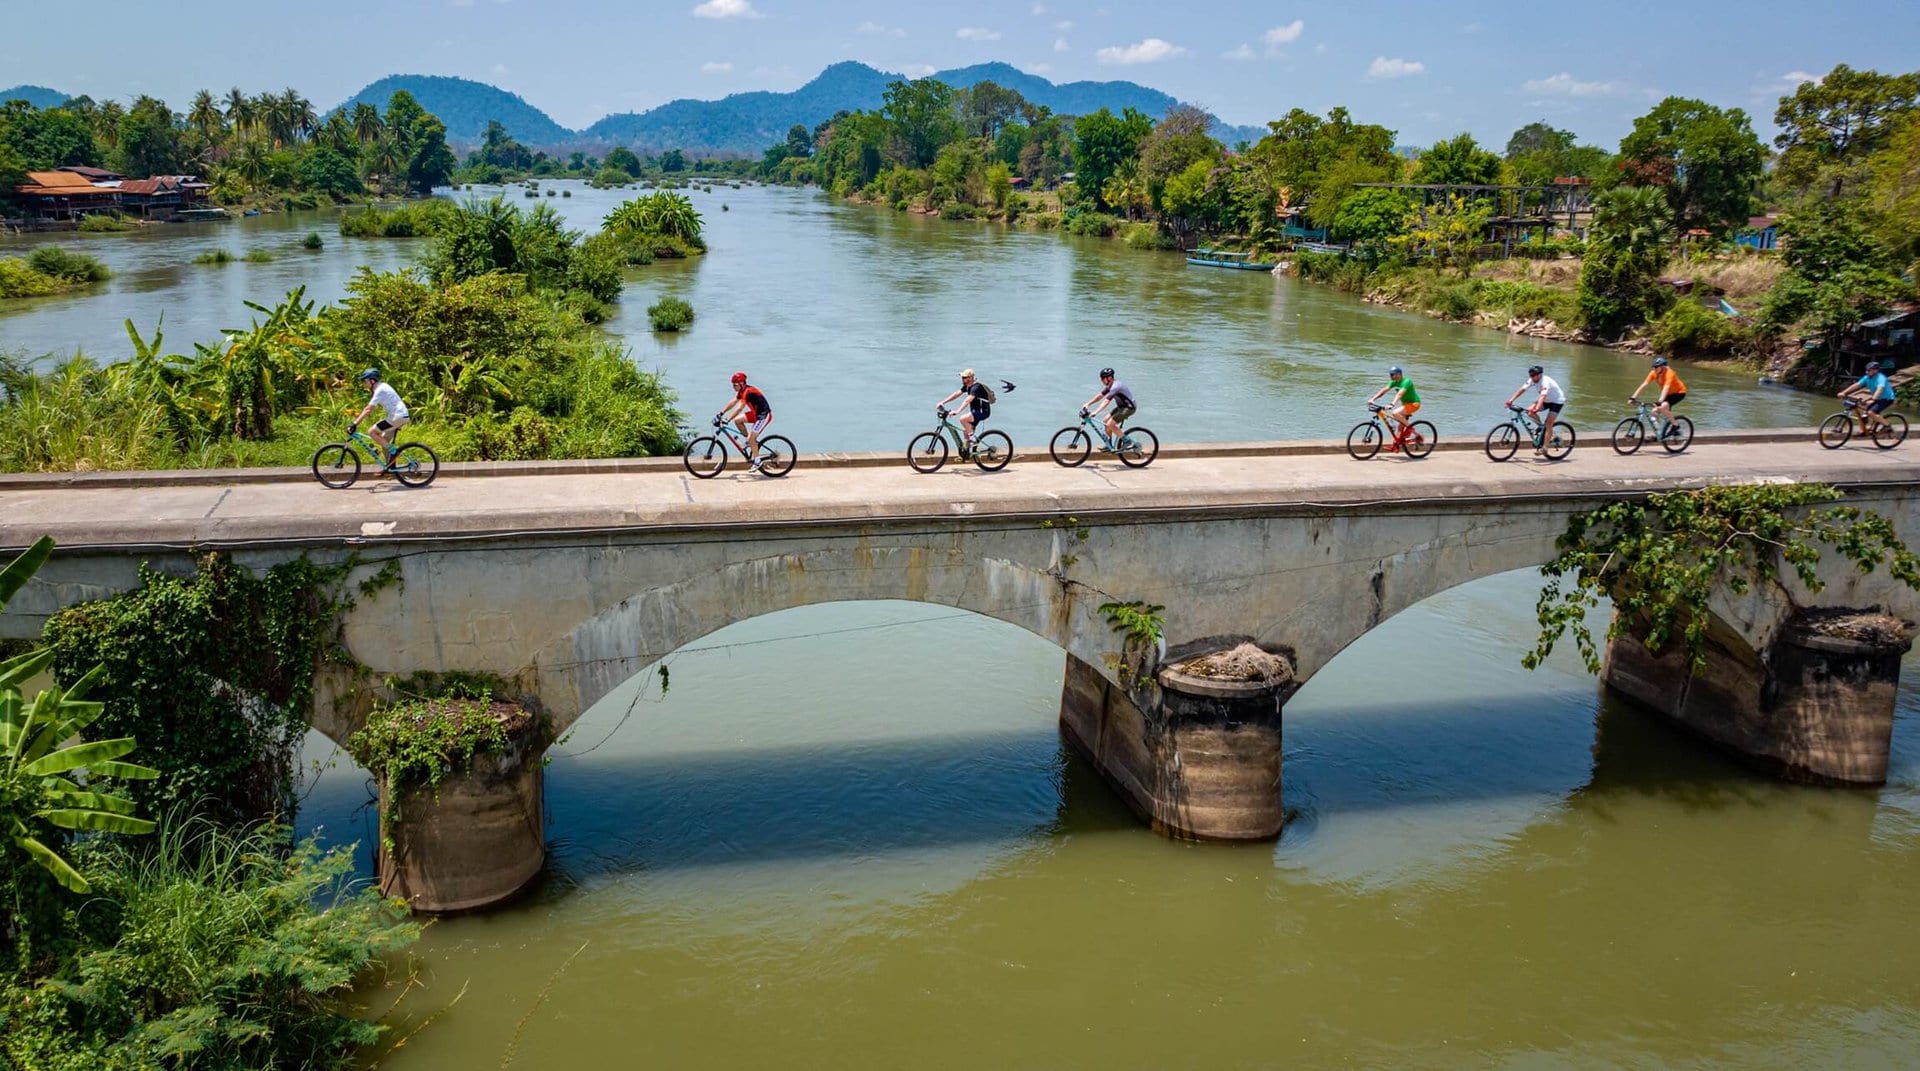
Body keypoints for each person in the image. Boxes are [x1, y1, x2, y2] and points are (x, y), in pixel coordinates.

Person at [351, 368, 409, 466]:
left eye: (365, 381)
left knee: (371, 432)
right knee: (384, 441)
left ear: (372, 380)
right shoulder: (383, 386)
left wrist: (355, 423)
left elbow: (368, 409)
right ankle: (390, 467)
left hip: (397, 417)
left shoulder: (380, 390)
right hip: (400, 416)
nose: (364, 384)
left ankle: (394, 452)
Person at [1504, 364, 1566, 454]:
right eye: (1530, 375)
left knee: (1549, 423)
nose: (1532, 377)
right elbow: (1522, 389)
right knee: (1529, 412)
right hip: (1547, 400)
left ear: (1540, 375)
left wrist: (1537, 408)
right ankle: (1541, 427)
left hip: (1557, 401)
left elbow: (1542, 396)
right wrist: (1510, 400)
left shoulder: (1545, 382)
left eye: (1533, 375)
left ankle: (1544, 448)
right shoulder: (1532, 380)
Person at [717, 371, 772, 469]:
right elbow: (733, 402)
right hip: (755, 414)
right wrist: (721, 413)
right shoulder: (742, 391)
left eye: (735, 385)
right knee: (738, 421)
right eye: (732, 385)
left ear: (742, 384)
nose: (733, 387)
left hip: (764, 416)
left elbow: (739, 408)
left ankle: (758, 462)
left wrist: (727, 419)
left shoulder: (748, 392)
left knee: (752, 439)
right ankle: (749, 442)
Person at [935, 368, 994, 453]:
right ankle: (967, 453)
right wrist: (943, 402)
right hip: (975, 412)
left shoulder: (976, 387)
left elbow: (968, 400)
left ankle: (973, 440)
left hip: (982, 412)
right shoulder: (967, 386)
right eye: (962, 377)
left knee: (963, 419)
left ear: (970, 378)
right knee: (966, 433)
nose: (962, 379)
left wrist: (957, 411)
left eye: (964, 377)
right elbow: (956, 394)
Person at [1366, 365, 1423, 452]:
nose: (1391, 376)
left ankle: (1412, 430)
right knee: (1400, 427)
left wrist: (1392, 404)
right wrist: (1373, 399)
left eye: (1393, 374)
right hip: (1405, 404)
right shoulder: (1393, 382)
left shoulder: (1407, 381)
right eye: (1390, 375)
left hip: (1414, 404)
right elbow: (1383, 390)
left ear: (1399, 374)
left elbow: (1399, 394)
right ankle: (1396, 445)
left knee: (1395, 413)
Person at [1628, 356, 1688, 435]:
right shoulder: (1654, 373)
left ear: (1662, 366)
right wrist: (1633, 397)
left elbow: (1666, 388)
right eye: (1653, 367)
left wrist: (1660, 401)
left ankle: (1675, 425)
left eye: (1656, 367)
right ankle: (1658, 434)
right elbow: (1644, 385)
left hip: (1679, 392)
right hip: (1668, 394)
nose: (1654, 369)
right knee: (1654, 411)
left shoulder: (1670, 373)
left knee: (1662, 406)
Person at [1079, 367, 1136, 447]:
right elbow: (1100, 395)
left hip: (1129, 408)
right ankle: (1109, 445)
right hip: (1121, 407)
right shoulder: (1110, 385)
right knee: (1105, 421)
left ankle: (1127, 441)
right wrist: (1088, 403)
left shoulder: (1116, 387)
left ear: (1109, 378)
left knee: (1110, 424)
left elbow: (1106, 401)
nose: (1101, 380)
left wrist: (1096, 412)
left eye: (1103, 379)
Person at [1839, 360, 1897, 432]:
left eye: (1869, 370)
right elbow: (1857, 385)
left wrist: (1873, 399)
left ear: (1875, 370)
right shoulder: (1867, 377)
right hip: (1877, 398)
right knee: (1864, 411)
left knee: (1871, 412)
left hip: (1886, 399)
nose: (1867, 372)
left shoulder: (1881, 378)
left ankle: (1887, 426)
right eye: (1867, 370)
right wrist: (1844, 392)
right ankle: (1863, 430)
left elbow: (1880, 389)